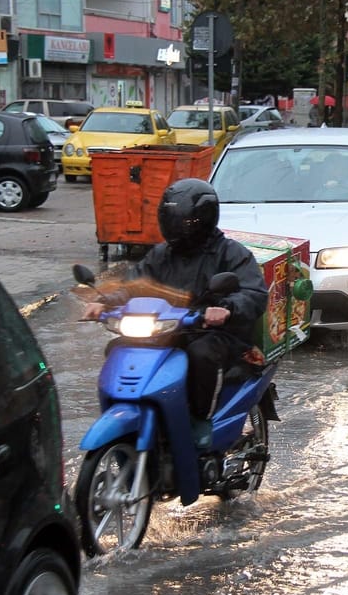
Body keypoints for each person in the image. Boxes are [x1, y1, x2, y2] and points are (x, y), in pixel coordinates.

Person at [82, 178, 269, 443]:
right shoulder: (161, 254)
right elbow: (134, 286)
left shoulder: (231, 254)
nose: (176, 227)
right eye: (171, 219)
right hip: (166, 330)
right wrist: (107, 302)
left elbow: (254, 293)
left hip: (214, 333)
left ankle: (201, 418)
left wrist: (226, 308)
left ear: (203, 219)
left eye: (183, 221)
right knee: (118, 348)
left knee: (200, 354)